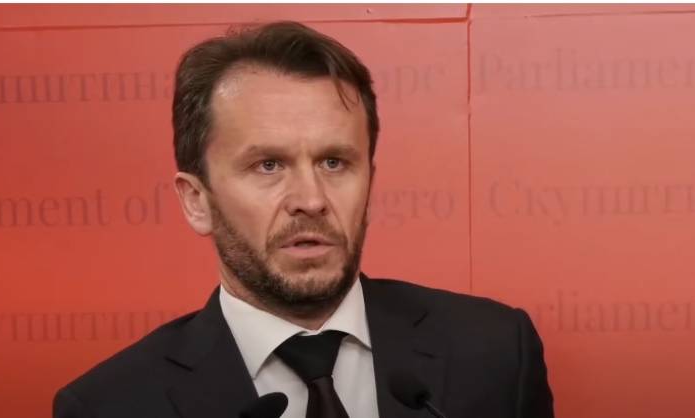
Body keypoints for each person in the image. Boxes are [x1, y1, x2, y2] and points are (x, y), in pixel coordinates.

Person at [53, 21, 554, 418]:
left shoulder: (494, 352)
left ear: (370, 183)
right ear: (196, 201)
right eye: (267, 165)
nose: (311, 200)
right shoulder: (111, 405)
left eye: (334, 162)